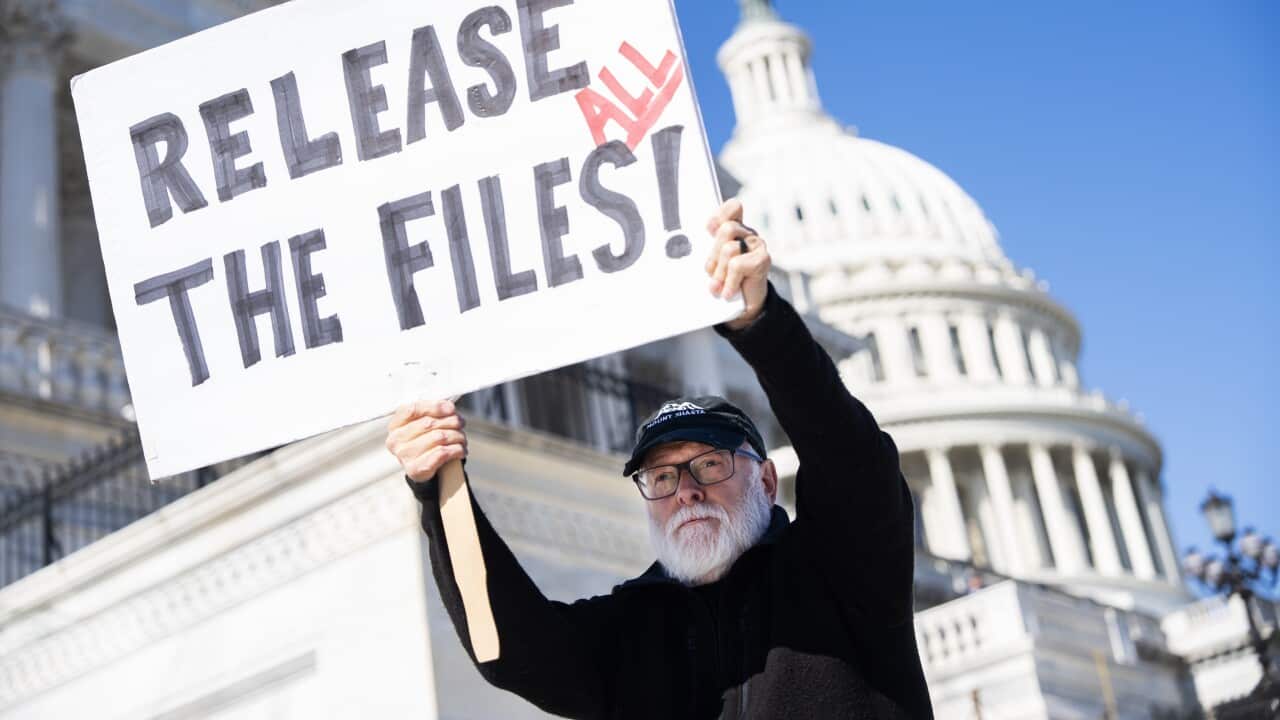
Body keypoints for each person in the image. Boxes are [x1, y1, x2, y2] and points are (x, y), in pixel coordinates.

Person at [387, 200, 933, 718]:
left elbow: (849, 457)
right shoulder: (632, 630)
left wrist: (761, 325)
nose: (686, 492)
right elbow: (504, 646)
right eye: (662, 477)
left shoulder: (842, 568)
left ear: (767, 480)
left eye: (710, 465)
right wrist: (436, 485)